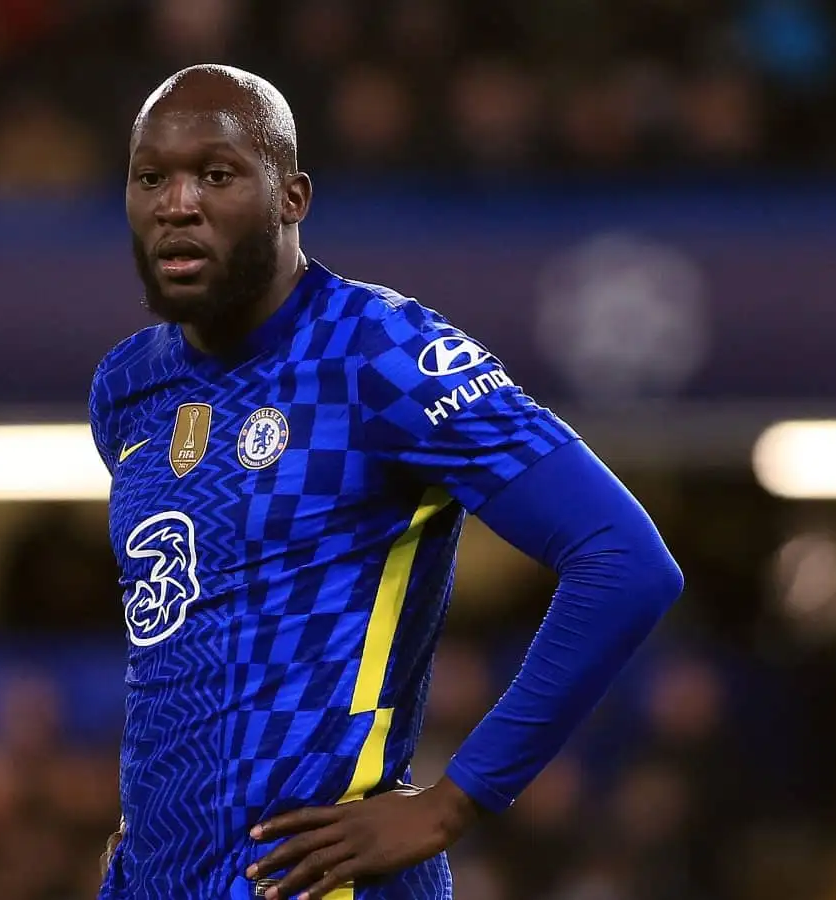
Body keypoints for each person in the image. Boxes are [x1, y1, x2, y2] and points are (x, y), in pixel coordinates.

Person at [89, 64, 684, 900]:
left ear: (291, 197)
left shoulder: (383, 355)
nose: (176, 204)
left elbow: (624, 562)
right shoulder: (127, 390)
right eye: (152, 177)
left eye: (216, 175)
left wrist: (456, 801)